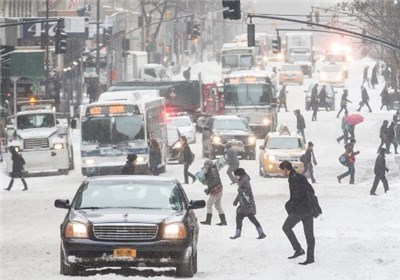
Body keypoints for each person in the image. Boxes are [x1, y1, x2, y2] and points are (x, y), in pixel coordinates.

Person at [279, 160, 316, 265]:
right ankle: (310, 257)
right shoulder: (300, 176)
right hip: (308, 208)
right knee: (309, 234)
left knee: (286, 227)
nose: (282, 173)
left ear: (286, 170)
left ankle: (298, 249)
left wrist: (291, 206)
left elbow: (296, 196)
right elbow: (311, 190)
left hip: (300, 210)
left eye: (282, 171)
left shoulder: (293, 179)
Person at [230, 168, 266, 240]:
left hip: (247, 203)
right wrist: (236, 201)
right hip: (244, 204)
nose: (235, 177)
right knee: (241, 217)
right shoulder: (242, 180)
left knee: (248, 218)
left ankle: (261, 233)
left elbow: (247, 190)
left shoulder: (244, 180)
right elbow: (240, 193)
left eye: (236, 175)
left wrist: (240, 190)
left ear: (239, 174)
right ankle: (260, 233)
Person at [200, 159, 226, 226]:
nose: (204, 167)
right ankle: (223, 221)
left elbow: (215, 181)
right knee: (218, 206)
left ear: (208, 165)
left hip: (216, 191)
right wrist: (206, 174)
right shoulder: (211, 170)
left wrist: (209, 189)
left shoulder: (212, 171)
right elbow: (209, 180)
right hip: (218, 190)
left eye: (205, 165)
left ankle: (208, 221)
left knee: (209, 204)